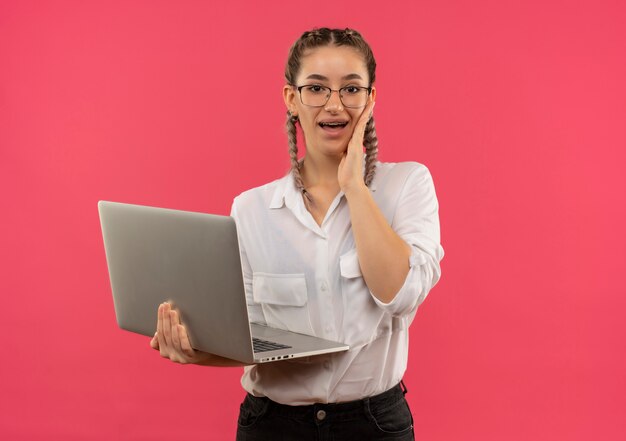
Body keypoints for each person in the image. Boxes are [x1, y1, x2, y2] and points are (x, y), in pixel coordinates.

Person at [149, 27, 444, 440]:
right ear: (292, 99)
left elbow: (399, 294)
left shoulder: (407, 185)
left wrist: (355, 187)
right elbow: (247, 339)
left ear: (370, 99)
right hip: (272, 425)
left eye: (351, 89)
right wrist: (192, 349)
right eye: (317, 88)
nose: (335, 104)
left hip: (373, 425)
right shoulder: (251, 209)